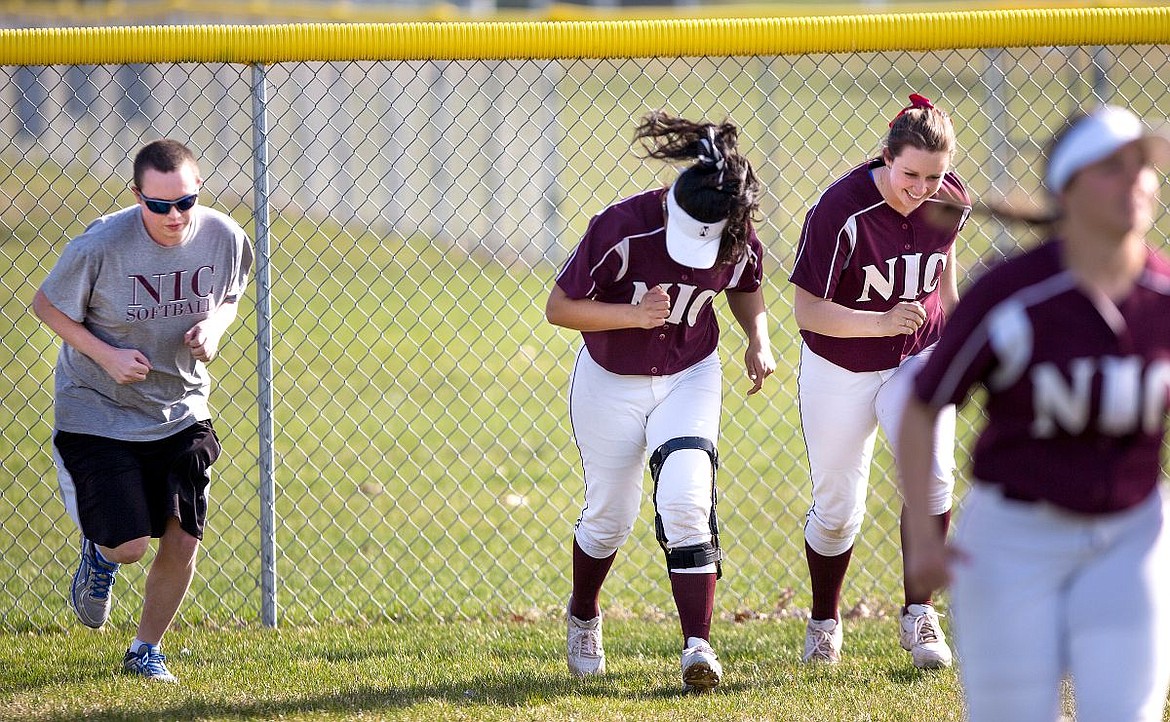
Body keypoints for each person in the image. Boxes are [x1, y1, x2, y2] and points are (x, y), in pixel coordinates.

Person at [900, 105, 1170, 721]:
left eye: (1142, 166)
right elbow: (923, 406)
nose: (1136, 180)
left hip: (1132, 537)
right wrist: (922, 543)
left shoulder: (1164, 296)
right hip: (1015, 541)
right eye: (1112, 167)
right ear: (1067, 190)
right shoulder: (1013, 293)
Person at [545, 111, 775, 692]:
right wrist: (631, 315)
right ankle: (584, 613)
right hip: (610, 378)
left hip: (689, 372)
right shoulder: (622, 226)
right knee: (609, 518)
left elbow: (748, 290)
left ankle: (698, 645)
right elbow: (560, 308)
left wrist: (758, 339)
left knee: (687, 496)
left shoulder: (738, 233)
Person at [32, 139, 254, 683]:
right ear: (137, 198)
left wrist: (215, 330)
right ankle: (100, 556)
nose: (175, 216)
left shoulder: (223, 235)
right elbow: (45, 305)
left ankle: (145, 650)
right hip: (98, 409)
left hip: (180, 406)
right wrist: (106, 356)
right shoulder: (103, 244)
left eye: (186, 201)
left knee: (184, 533)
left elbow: (232, 291)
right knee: (129, 545)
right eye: (159, 205)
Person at [787, 93, 971, 668]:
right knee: (839, 506)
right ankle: (824, 620)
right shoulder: (840, 210)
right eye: (911, 173)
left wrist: (957, 335)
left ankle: (919, 614)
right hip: (840, 364)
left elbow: (945, 270)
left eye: (934, 176)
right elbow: (807, 312)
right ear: (886, 158)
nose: (922, 188)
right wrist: (880, 321)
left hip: (917, 356)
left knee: (933, 477)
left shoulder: (951, 198)